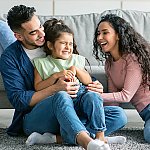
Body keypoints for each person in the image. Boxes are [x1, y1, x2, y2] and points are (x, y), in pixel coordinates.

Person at [0, 4, 127, 150]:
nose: (42, 34)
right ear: (19, 36)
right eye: (34, 32)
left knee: (118, 115)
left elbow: (77, 70)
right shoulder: (10, 58)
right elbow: (19, 100)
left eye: (40, 26)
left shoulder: (55, 40)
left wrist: (94, 84)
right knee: (61, 96)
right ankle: (87, 142)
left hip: (72, 109)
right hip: (39, 117)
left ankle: (56, 138)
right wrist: (55, 88)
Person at [25, 18, 125, 147]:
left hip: (78, 105)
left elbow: (88, 81)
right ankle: (88, 140)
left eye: (70, 44)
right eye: (63, 43)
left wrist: (76, 70)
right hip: (56, 107)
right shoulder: (41, 63)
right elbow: (38, 87)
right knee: (62, 95)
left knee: (116, 112)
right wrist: (56, 76)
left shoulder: (77, 60)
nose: (68, 47)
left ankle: (97, 136)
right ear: (50, 45)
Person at [92, 13, 150, 143]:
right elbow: (114, 101)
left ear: (118, 35)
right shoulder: (109, 64)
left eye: (105, 33)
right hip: (146, 114)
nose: (99, 37)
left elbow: (126, 96)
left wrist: (94, 95)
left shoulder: (132, 58)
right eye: (98, 33)